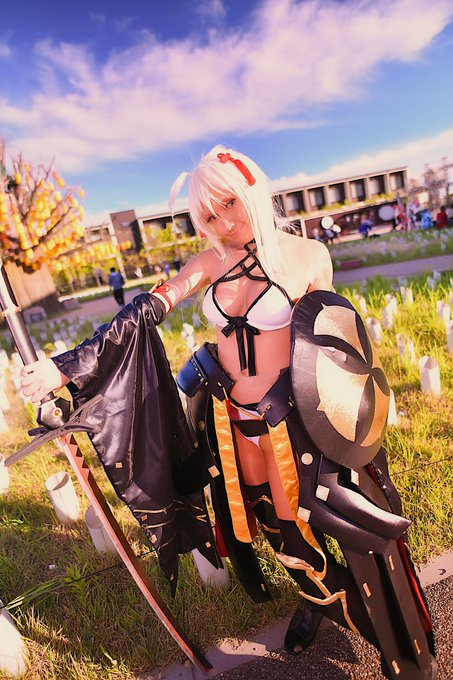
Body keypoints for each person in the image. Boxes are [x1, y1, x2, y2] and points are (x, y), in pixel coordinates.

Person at [20, 145, 435, 679]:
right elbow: (141, 312)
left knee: (306, 534)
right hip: (230, 424)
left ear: (252, 191)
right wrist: (66, 368)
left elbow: (334, 345)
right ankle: (314, 600)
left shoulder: (308, 256)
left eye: (229, 205)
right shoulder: (210, 262)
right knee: (270, 529)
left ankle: (390, 644)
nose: (222, 222)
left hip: (290, 426)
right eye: (209, 215)